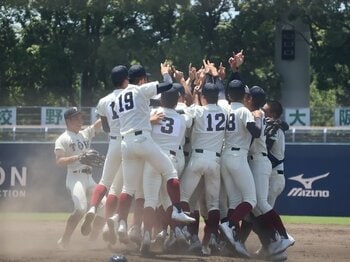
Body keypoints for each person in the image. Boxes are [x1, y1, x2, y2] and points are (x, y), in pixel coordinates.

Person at [114, 64, 195, 246]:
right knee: (170, 173)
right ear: (142, 79)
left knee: (128, 189)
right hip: (143, 141)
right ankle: (176, 210)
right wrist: (166, 73)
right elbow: (166, 85)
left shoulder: (119, 96)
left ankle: (121, 222)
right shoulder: (141, 90)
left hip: (126, 143)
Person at [80, 65, 129, 243]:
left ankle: (92, 208)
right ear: (125, 79)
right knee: (126, 189)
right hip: (130, 142)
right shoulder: (130, 96)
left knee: (105, 183)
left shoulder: (104, 100)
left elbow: (106, 127)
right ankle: (120, 223)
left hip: (114, 142)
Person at [180, 82, 226, 256]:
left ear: (203, 96)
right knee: (213, 205)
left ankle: (186, 234)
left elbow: (186, 120)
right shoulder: (224, 110)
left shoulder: (197, 110)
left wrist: (191, 90)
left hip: (197, 158)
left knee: (183, 197)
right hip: (215, 160)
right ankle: (211, 239)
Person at [219, 79, 261, 258]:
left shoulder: (225, 108)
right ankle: (229, 225)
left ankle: (232, 241)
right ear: (244, 96)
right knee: (251, 200)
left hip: (224, 156)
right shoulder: (244, 111)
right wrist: (258, 118)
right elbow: (256, 133)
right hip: (238, 157)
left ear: (229, 95)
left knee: (234, 201)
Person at [54, 107, 103, 249]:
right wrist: (78, 157)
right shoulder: (62, 139)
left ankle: (92, 240)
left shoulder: (84, 134)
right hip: (75, 178)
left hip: (89, 177)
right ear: (68, 121)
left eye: (81, 117)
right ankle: (64, 239)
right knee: (81, 209)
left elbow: (97, 124)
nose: (80, 120)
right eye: (76, 118)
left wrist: (111, 111)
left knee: (106, 206)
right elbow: (59, 161)